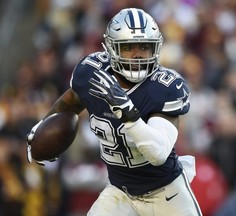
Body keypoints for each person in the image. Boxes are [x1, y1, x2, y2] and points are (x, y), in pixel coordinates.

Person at [26, 8, 202, 216]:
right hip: (121, 192)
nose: (138, 54)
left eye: (145, 47)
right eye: (129, 47)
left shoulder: (164, 87)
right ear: (112, 49)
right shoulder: (91, 73)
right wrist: (42, 127)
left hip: (166, 193)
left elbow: (158, 153)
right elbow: (70, 102)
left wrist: (127, 112)